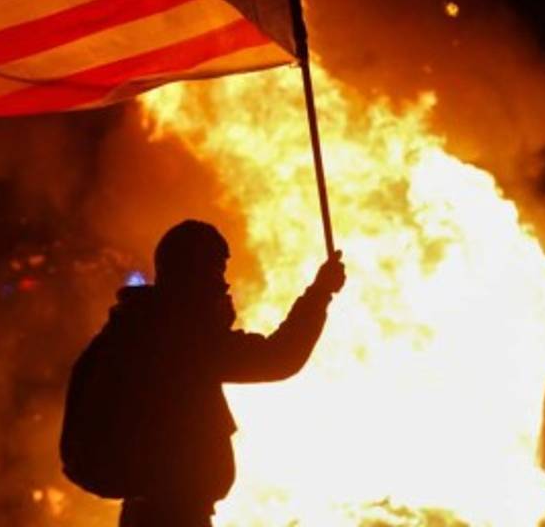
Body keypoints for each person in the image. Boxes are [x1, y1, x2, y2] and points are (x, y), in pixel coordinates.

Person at [66, 219, 345, 527]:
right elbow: (278, 358)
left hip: (145, 513)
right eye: (216, 271)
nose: (223, 284)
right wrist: (320, 293)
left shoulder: (133, 327)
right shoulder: (180, 336)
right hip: (175, 515)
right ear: (191, 274)